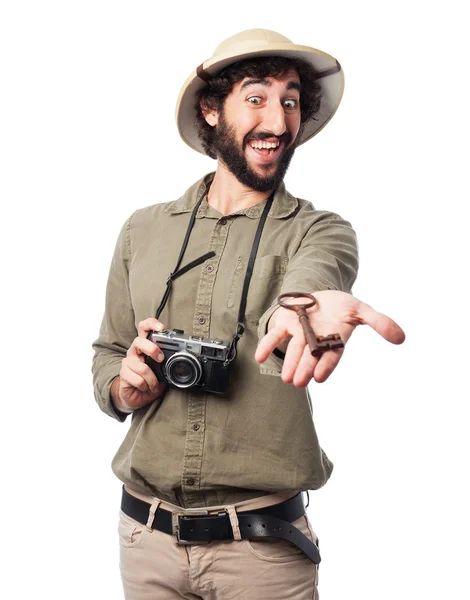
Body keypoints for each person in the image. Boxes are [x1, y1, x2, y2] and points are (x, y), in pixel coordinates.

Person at [92, 28, 405, 600]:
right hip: (146, 543)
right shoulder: (143, 229)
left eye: (290, 101)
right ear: (211, 110)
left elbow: (317, 273)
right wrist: (123, 386)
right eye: (257, 98)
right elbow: (109, 351)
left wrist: (301, 310)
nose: (280, 121)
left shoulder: (320, 229)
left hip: (262, 552)